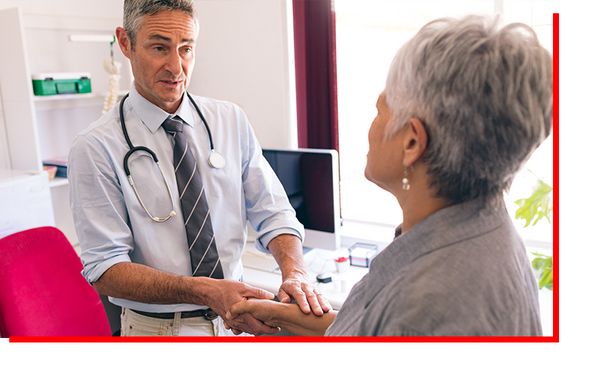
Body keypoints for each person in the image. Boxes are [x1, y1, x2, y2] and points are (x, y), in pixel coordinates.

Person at [227, 14, 552, 336]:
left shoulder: (426, 303)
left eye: (380, 109)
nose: (371, 127)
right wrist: (278, 316)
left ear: (411, 142)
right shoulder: (479, 231)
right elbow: (364, 329)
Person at [68, 0, 330, 337]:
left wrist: (295, 272)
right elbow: (105, 269)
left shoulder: (229, 120)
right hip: (159, 329)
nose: (176, 67)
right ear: (125, 43)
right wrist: (205, 290)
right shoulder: (95, 147)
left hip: (236, 322)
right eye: (159, 47)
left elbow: (274, 212)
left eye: (186, 48)